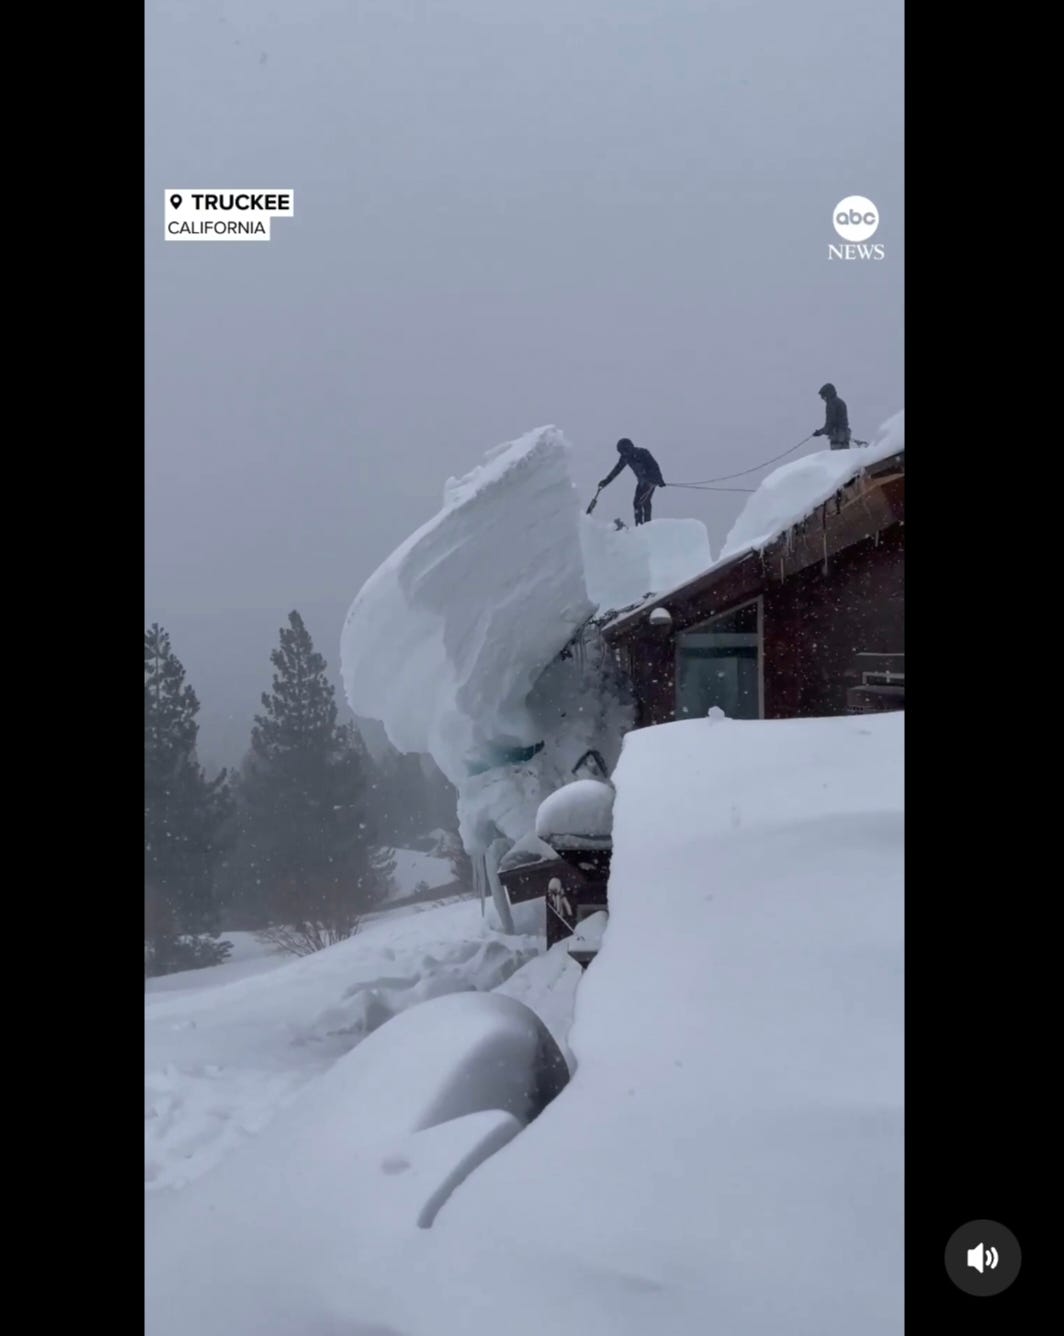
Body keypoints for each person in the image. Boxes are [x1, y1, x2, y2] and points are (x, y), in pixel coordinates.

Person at [598, 438, 666, 525]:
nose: (624, 453)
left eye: (625, 451)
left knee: (641, 502)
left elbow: (654, 466)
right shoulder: (625, 458)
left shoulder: (642, 453)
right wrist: (605, 481)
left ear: (630, 447)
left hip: (650, 481)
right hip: (641, 482)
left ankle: (646, 525)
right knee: (637, 503)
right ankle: (641, 525)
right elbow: (616, 470)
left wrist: (659, 479)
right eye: (621, 452)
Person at [813, 383, 851, 449]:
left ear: (827, 394)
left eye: (823, 396)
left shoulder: (831, 404)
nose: (823, 399)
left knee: (836, 457)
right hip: (845, 435)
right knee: (845, 456)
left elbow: (830, 422)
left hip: (836, 436)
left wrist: (820, 432)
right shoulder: (841, 402)